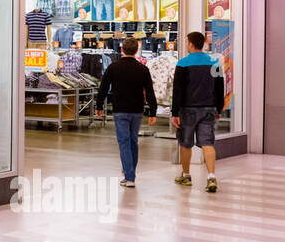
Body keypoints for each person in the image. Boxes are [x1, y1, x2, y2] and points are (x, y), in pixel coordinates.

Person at [94, 37, 157, 187]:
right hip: (137, 111)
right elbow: (149, 92)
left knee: (124, 142)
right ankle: (130, 174)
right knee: (133, 141)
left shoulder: (113, 67)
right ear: (137, 50)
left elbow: (103, 88)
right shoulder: (143, 69)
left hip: (120, 110)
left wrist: (98, 106)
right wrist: (153, 112)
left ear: (122, 49)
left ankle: (130, 177)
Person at [172, 31, 225, 193]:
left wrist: (175, 112)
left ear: (191, 44)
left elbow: (178, 90)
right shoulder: (214, 62)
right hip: (208, 108)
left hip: (188, 110)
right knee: (208, 143)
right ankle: (211, 177)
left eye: (187, 41)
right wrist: (219, 108)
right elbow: (219, 87)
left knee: (185, 143)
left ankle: (186, 175)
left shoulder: (182, 63)